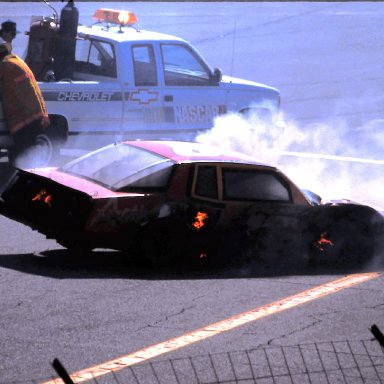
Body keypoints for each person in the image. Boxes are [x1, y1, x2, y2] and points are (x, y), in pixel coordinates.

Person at [0, 43, 50, 167]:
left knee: (23, 155)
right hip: (35, 114)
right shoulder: (17, 61)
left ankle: (22, 179)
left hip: (23, 118)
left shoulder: (5, 66)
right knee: (25, 153)